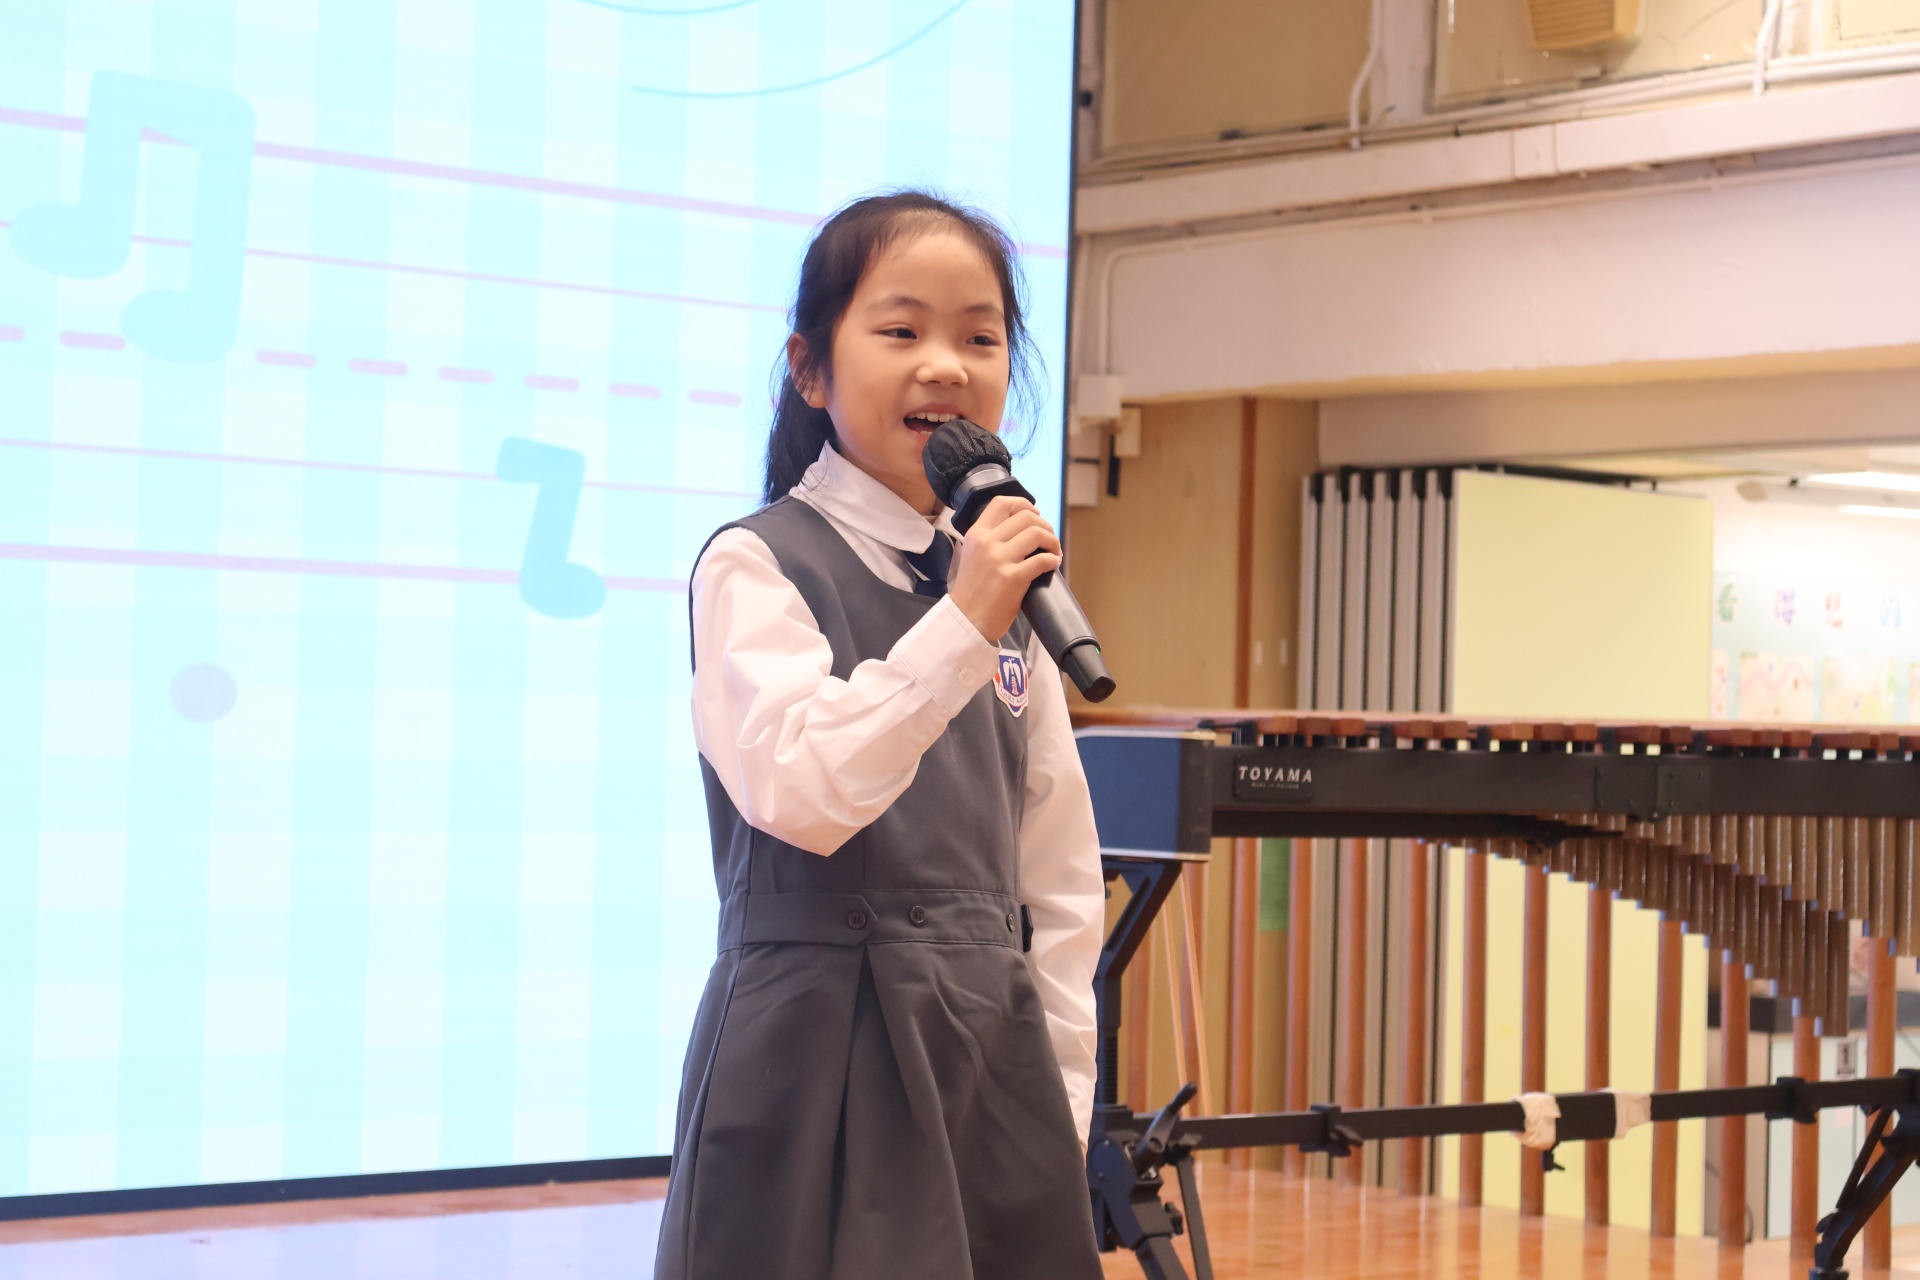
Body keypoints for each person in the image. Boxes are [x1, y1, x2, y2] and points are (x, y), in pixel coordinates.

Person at [653, 190, 1106, 1280]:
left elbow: (1056, 877)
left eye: (980, 338)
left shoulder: (1004, 592)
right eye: (901, 330)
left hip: (992, 1065)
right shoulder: (757, 561)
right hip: (810, 1059)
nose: (945, 365)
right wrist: (962, 624)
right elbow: (803, 789)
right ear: (809, 369)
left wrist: (1057, 1096)